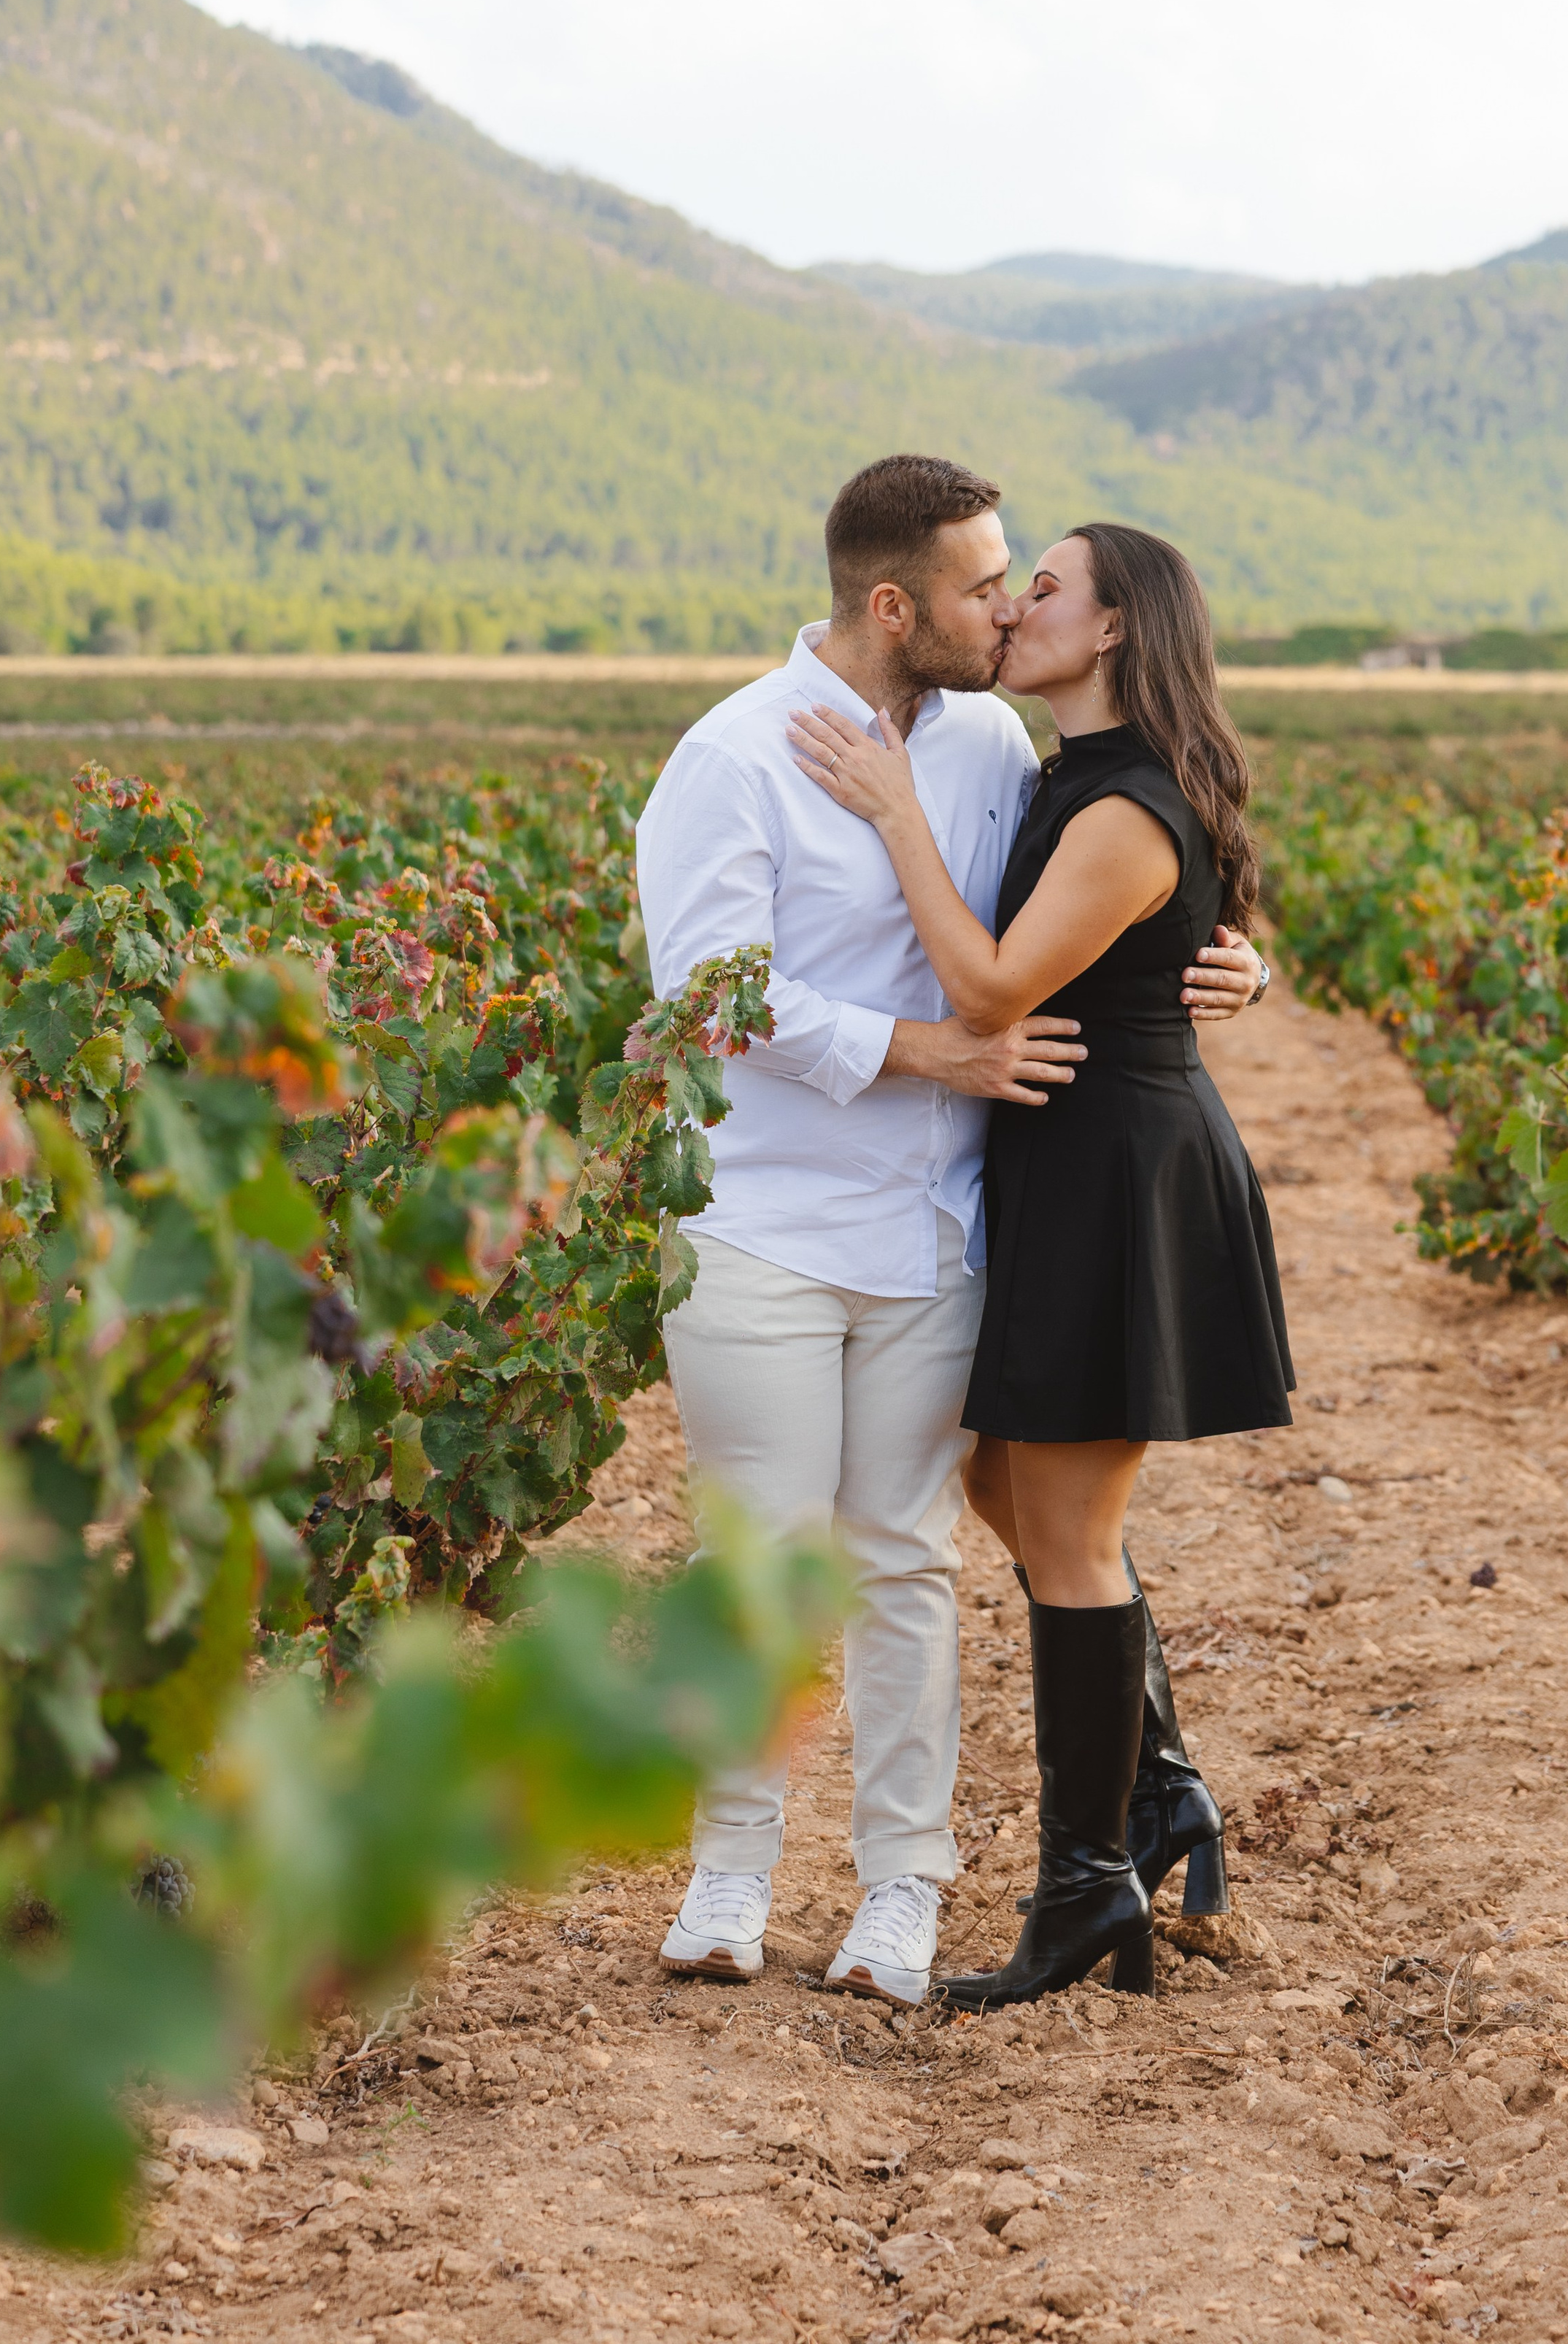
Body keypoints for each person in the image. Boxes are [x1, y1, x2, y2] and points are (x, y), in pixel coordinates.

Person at [635, 459, 1266, 2009]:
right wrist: (930, 1052)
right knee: (769, 1559)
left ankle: (918, 1888)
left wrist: (1225, 961)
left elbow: (1112, 891)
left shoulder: (989, 740)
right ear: (893, 601)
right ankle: (734, 1867)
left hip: (949, 1219)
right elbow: (704, 993)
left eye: (1027, 582)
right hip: (767, 1216)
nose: (1007, 606)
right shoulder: (732, 758)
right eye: (989, 584)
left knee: (917, 1553)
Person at [787, 518, 1294, 2010]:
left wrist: (891, 813)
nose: (1014, 606)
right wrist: (1235, 950)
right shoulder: (1067, 769)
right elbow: (1181, 929)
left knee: (1062, 1521)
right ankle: (1158, 1797)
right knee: (1010, 1486)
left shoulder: (1125, 805)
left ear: (1119, 627)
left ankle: (1083, 1892)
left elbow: (994, 984)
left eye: (1046, 587)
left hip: (1116, 1176)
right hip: (1071, 1166)